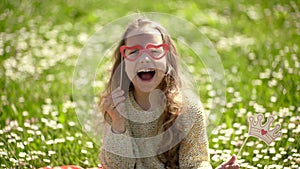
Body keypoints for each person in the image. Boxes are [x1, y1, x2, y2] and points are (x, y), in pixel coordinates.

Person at [99, 17, 240, 169]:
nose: (145, 58)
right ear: (124, 62)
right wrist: (118, 123)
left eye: (154, 51)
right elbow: (116, 166)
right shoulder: (118, 106)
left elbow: (195, 163)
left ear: (168, 60)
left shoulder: (189, 109)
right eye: (134, 52)